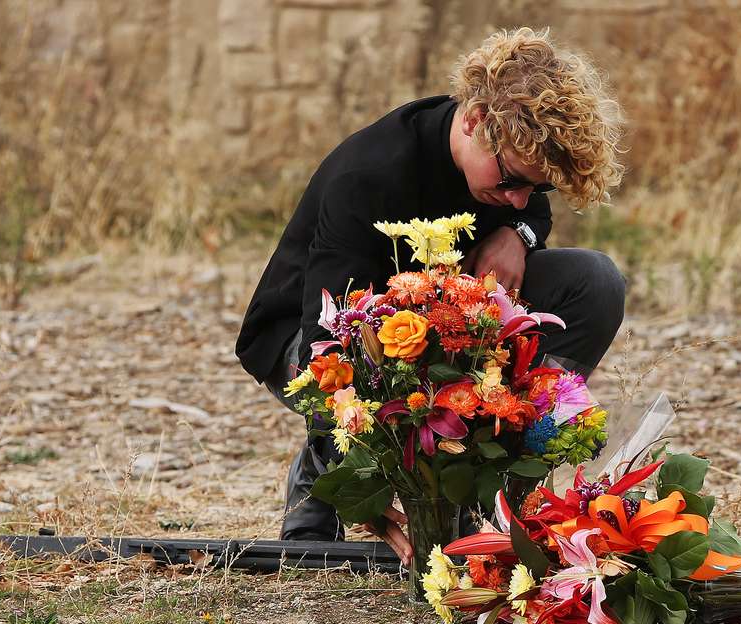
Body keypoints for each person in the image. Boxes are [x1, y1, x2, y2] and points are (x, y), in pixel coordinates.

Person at [234, 28, 627, 561]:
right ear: (475, 121)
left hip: (438, 325)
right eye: (511, 180)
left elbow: (530, 207)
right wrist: (357, 491)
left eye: (536, 187)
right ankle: (316, 484)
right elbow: (328, 341)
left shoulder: (513, 175)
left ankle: (498, 475)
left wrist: (520, 234)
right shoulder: (370, 174)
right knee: (368, 365)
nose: (518, 197)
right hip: (309, 337)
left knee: (595, 280)